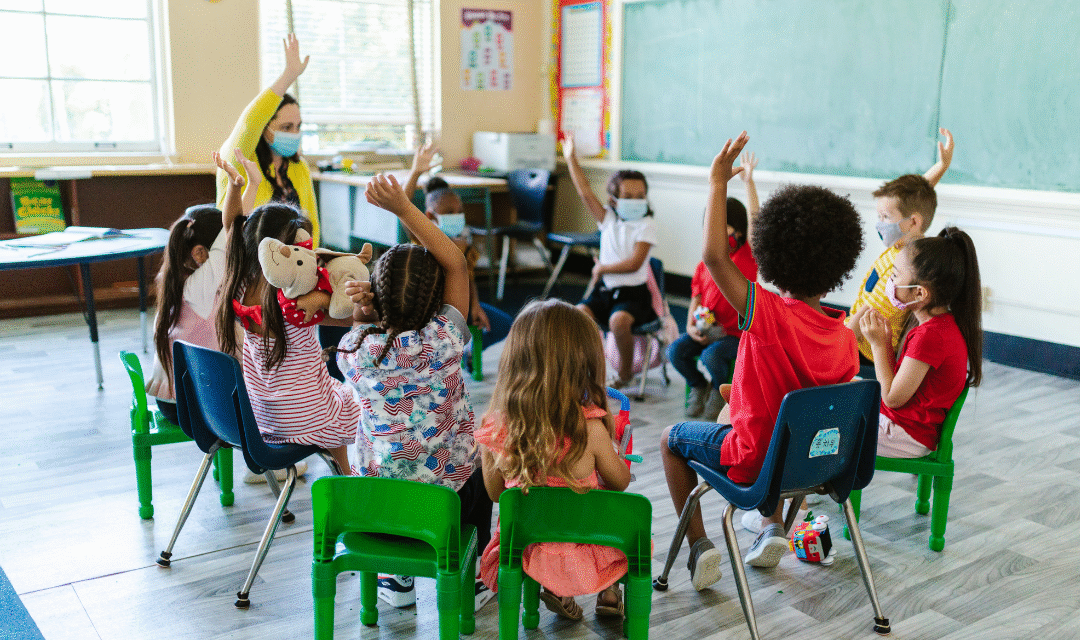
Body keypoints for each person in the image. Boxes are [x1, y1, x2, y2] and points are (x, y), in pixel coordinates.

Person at [661, 132, 864, 588]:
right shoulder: (844, 335)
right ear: (839, 266)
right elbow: (801, 401)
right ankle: (773, 528)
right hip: (816, 466)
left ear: (768, 255)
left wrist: (718, 182)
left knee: (671, 440)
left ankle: (699, 548)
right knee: (774, 424)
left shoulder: (767, 314)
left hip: (756, 462)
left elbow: (715, 256)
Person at [332, 173, 491, 610]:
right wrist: (404, 207)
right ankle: (471, 577)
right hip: (447, 501)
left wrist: (367, 306)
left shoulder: (355, 351)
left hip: (381, 506)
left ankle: (396, 578)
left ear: (377, 299)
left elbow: (364, 325)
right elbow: (456, 264)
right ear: (438, 300)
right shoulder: (446, 339)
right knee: (476, 466)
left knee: (391, 464)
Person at [476, 299, 632, 621]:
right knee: (623, 523)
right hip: (584, 544)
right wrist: (617, 451)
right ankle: (610, 591)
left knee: (545, 516)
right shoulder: (591, 429)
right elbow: (620, 483)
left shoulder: (493, 427)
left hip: (525, 544)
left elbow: (495, 495)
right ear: (582, 365)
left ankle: (559, 589)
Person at [215, 192, 357, 477]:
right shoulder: (295, 296)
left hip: (264, 418)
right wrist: (324, 299)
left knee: (331, 391)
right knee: (363, 400)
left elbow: (230, 226)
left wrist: (237, 185)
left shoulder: (238, 285)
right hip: (303, 419)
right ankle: (347, 479)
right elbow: (355, 318)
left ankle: (344, 475)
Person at [146, 150, 254, 424]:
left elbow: (233, 230)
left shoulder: (176, 282)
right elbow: (234, 231)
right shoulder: (199, 287)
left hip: (174, 401)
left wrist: (252, 185)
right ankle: (264, 466)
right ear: (200, 254)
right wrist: (237, 186)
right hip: (194, 405)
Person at [860, 227, 982, 458]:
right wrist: (885, 342)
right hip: (900, 428)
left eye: (895, 276)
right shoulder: (940, 326)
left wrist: (877, 346)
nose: (889, 281)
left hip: (904, 434)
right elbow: (896, 388)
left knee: (820, 427)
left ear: (919, 294)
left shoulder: (930, 336)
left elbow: (893, 399)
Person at [848, 128, 955, 371]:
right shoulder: (910, 243)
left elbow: (858, 326)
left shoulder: (901, 271)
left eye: (885, 217)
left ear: (912, 222)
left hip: (864, 350)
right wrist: (941, 167)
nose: (879, 223)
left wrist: (828, 346)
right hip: (857, 330)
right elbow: (916, 199)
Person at [562, 132, 658, 388]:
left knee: (618, 321)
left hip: (634, 296)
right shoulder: (609, 220)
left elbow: (635, 264)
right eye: (628, 196)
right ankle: (588, 369)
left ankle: (626, 373)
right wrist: (571, 158)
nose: (636, 201)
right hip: (605, 292)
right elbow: (584, 192)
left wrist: (603, 268)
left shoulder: (646, 225)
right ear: (614, 200)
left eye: (641, 195)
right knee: (579, 314)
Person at [401, 142, 513, 362]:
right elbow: (403, 206)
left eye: (459, 211)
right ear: (430, 215)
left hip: (460, 309)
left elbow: (468, 278)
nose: (457, 215)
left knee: (504, 324)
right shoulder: (424, 240)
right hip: (427, 314)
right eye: (449, 212)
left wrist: (476, 305)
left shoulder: (464, 245)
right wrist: (415, 171)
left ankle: (466, 355)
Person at [668, 151, 760, 419]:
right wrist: (689, 326)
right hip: (706, 329)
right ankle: (699, 386)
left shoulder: (747, 257)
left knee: (712, 357)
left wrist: (749, 183)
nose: (718, 233)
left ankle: (719, 391)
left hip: (735, 335)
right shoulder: (703, 263)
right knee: (676, 351)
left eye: (725, 227)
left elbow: (756, 217)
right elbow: (696, 298)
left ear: (739, 232)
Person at [217, 34, 320, 246]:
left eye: (298, 127)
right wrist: (289, 76)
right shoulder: (239, 160)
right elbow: (249, 123)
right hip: (250, 264)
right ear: (264, 129)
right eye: (286, 127)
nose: (294, 133)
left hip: (294, 265)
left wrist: (313, 261)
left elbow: (312, 227)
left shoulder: (299, 168)